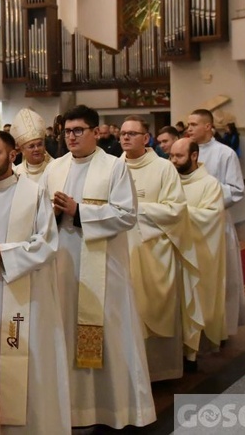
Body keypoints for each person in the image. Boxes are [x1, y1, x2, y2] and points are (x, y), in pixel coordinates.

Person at [42, 105, 155, 429]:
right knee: (66, 332)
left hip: (104, 268)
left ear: (95, 132)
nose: (72, 137)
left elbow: (126, 215)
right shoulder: (55, 168)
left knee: (111, 335)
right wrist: (49, 215)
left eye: (79, 130)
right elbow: (39, 216)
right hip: (63, 266)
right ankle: (73, 409)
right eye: (67, 131)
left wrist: (79, 212)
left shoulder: (114, 167)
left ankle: (114, 408)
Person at [0, 130, 70, 434]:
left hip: (25, 295)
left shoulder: (33, 194)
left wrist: (5, 254)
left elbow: (47, 242)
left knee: (27, 363)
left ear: (13, 155)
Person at [120, 115, 200, 382]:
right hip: (121, 252)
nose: (126, 137)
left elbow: (176, 210)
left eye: (133, 133)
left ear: (146, 138)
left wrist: (134, 211)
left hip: (154, 251)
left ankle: (159, 372)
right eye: (123, 133)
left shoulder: (164, 169)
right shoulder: (112, 167)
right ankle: (129, 375)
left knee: (153, 311)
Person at [187, 109, 245, 337]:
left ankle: (220, 327)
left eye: (194, 124)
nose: (189, 128)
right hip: (190, 222)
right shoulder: (184, 150)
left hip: (216, 223)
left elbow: (236, 190)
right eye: (189, 124)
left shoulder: (225, 154)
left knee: (221, 277)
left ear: (208, 127)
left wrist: (206, 194)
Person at [169, 138, 227, 366]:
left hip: (196, 252)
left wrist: (174, 213)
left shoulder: (210, 184)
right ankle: (174, 352)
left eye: (179, 156)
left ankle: (191, 352)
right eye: (171, 156)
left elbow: (210, 216)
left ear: (194, 156)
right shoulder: (169, 179)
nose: (173, 161)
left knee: (193, 302)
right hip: (170, 252)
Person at [11, 108, 53, 182]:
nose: (36, 149)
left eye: (40, 144)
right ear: (22, 150)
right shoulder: (15, 173)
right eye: (31, 146)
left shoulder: (56, 167)